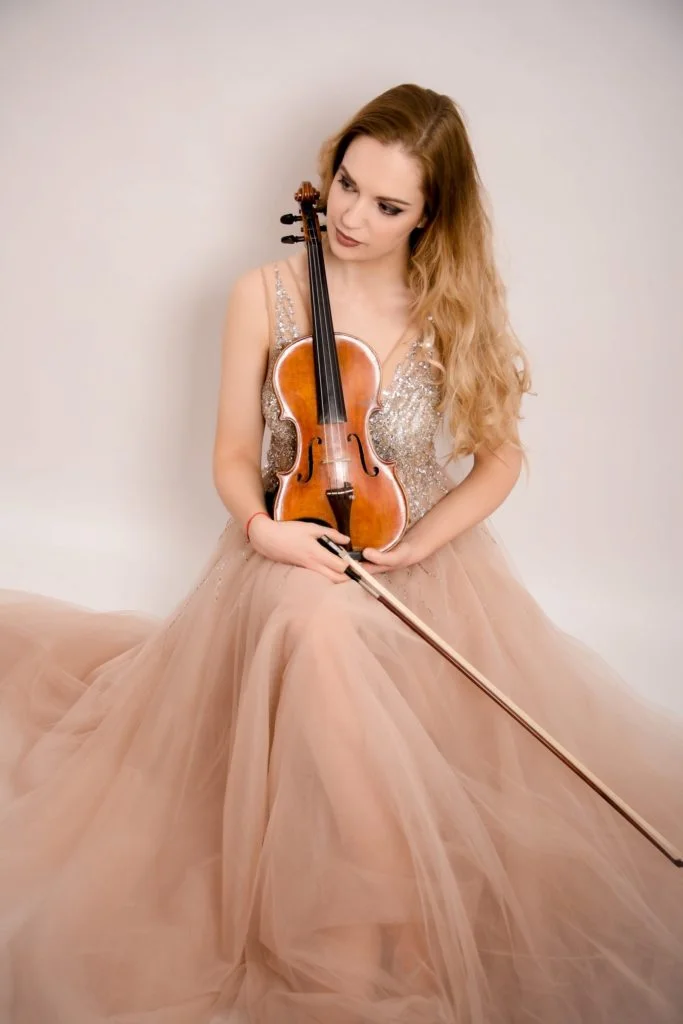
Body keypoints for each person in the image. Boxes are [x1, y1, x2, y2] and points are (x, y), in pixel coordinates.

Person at [0, 82, 681, 1024]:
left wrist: (418, 545)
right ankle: (377, 913)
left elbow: (498, 459)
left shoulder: (450, 310)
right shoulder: (266, 294)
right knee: (315, 626)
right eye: (346, 185)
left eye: (387, 205)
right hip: (289, 545)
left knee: (345, 651)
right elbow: (232, 455)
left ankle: (369, 903)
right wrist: (263, 529)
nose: (352, 218)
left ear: (429, 215)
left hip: (417, 562)